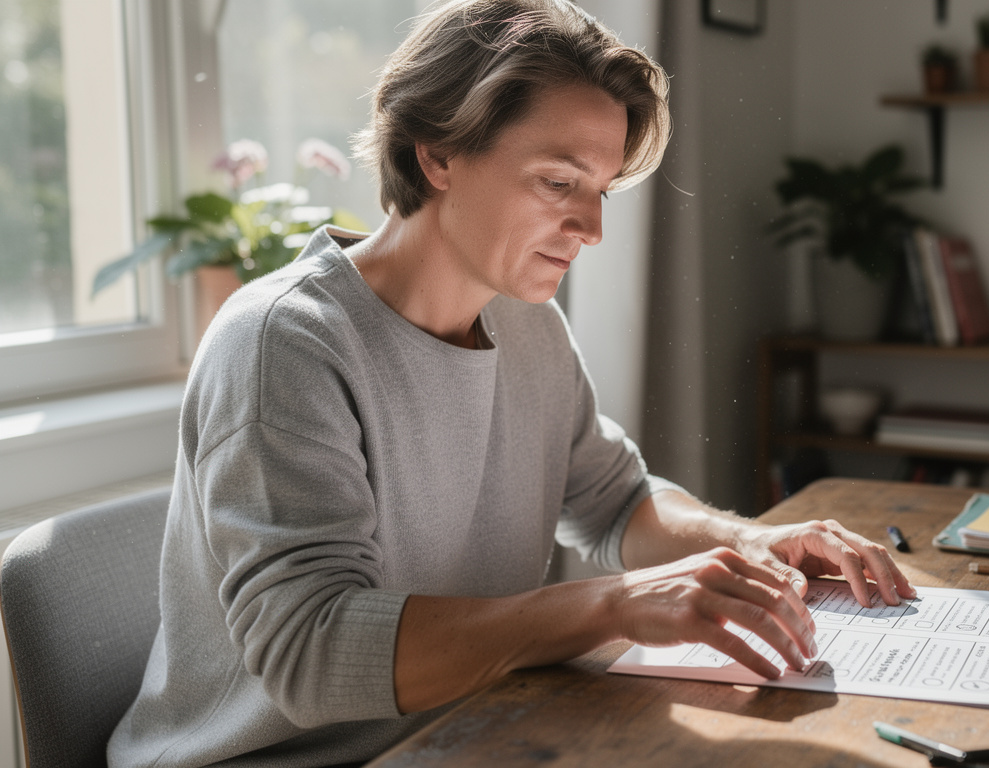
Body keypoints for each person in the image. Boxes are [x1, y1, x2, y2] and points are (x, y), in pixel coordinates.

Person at [109, 1, 915, 765]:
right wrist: (614, 603)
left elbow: (613, 501)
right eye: (559, 183)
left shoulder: (526, 322)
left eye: (600, 192)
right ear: (438, 154)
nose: (592, 229)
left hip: (469, 731)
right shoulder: (284, 344)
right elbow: (311, 654)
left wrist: (747, 540)